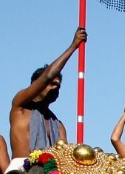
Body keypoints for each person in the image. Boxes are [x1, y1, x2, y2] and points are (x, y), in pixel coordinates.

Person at [9, 27, 87, 159]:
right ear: (36, 85)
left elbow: (64, 157)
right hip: (20, 173)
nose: (55, 88)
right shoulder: (20, 106)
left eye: (58, 86)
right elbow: (47, 76)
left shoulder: (59, 125)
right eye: (51, 84)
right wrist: (73, 46)